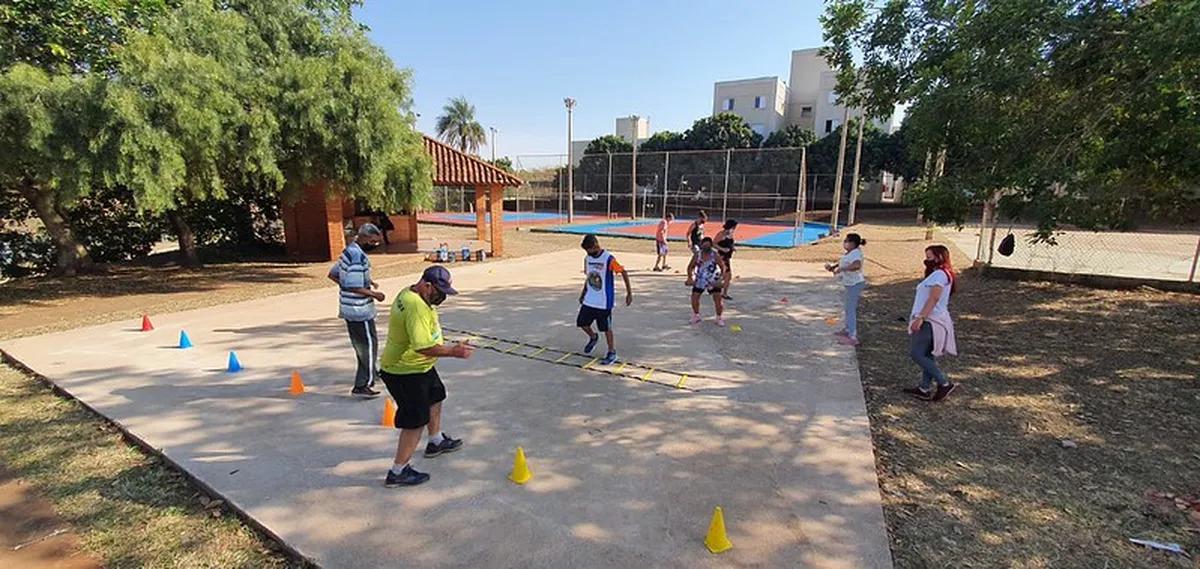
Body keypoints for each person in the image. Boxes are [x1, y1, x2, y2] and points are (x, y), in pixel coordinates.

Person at [379, 266, 474, 487]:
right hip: (404, 371)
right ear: (426, 284)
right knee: (415, 421)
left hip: (420, 367)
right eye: (439, 291)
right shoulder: (415, 307)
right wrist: (453, 351)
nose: (442, 297)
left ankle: (435, 441)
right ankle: (398, 471)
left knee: (436, 396)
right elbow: (422, 346)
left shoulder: (411, 293)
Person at [327, 223, 385, 399]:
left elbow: (334, 275)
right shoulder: (356, 255)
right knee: (366, 346)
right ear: (365, 238)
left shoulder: (348, 251)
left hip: (351, 308)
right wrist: (373, 294)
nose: (375, 245)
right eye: (373, 241)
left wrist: (368, 282)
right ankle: (362, 385)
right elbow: (353, 285)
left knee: (368, 342)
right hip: (358, 309)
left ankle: (371, 372)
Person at [903, 245, 959, 402]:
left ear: (939, 257)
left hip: (930, 320)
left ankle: (944, 383)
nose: (926, 261)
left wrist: (921, 317)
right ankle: (924, 388)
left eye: (929, 257)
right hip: (930, 318)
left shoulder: (940, 275)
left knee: (917, 353)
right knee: (927, 354)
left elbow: (934, 298)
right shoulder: (938, 274)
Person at [577, 234, 633, 365]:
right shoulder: (587, 258)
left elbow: (624, 272)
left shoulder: (608, 259)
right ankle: (593, 336)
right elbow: (589, 277)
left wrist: (629, 293)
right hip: (590, 299)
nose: (587, 253)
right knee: (581, 323)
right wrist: (583, 293)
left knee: (606, 328)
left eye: (588, 250)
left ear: (595, 246)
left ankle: (612, 352)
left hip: (603, 302)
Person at [825, 233, 867, 346]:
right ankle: (848, 329)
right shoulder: (850, 253)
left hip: (855, 284)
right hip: (849, 284)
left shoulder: (856, 253)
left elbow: (856, 265)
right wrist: (833, 267)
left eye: (847, 241)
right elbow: (843, 261)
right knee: (847, 308)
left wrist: (842, 269)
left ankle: (852, 336)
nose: (845, 243)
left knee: (850, 310)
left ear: (853, 243)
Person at [686, 237, 725, 326]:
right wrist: (690, 278)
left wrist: (720, 279)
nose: (706, 247)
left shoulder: (715, 255)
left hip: (712, 279)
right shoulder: (697, 255)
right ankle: (696, 315)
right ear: (701, 245)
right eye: (704, 245)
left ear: (711, 246)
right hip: (700, 279)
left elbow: (723, 267)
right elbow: (690, 267)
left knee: (718, 298)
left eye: (708, 245)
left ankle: (719, 317)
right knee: (695, 297)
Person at [714, 219, 738, 300]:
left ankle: (713, 285)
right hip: (722, 256)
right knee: (728, 275)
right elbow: (714, 243)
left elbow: (730, 243)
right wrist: (722, 249)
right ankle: (724, 293)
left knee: (723, 275)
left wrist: (733, 248)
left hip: (728, 256)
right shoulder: (721, 234)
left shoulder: (730, 234)